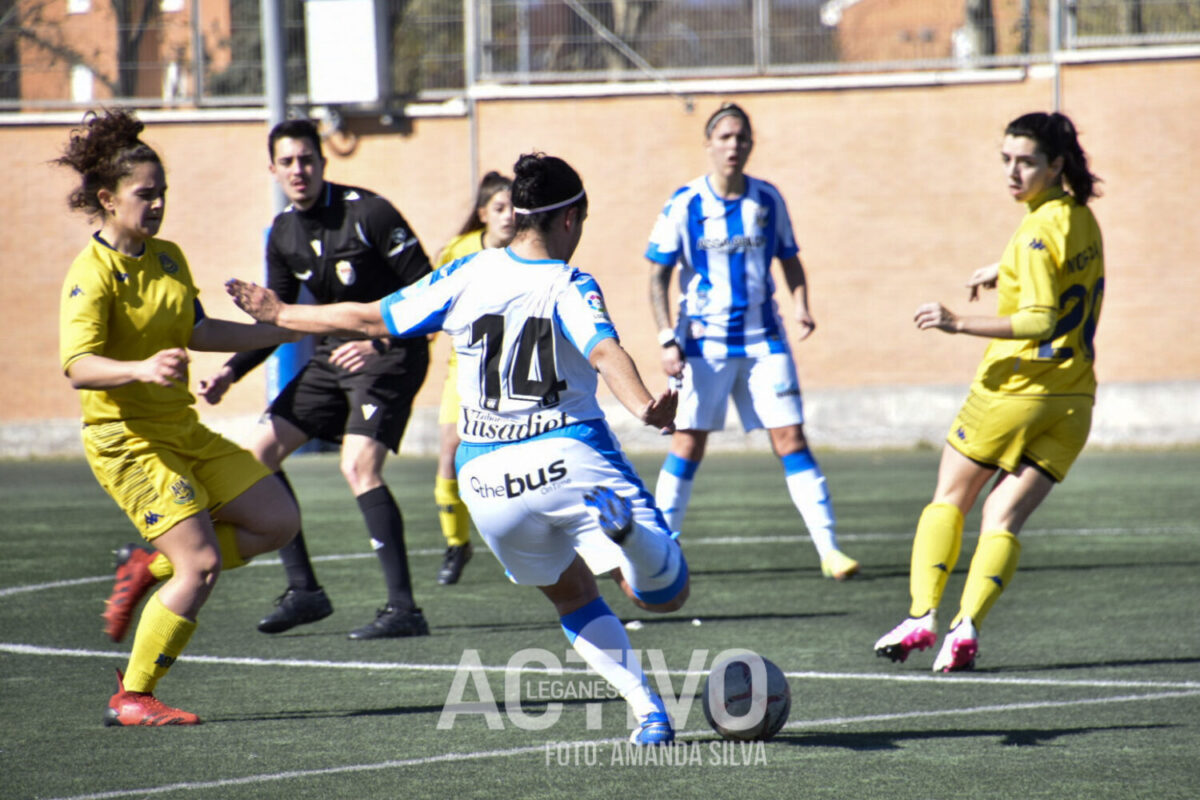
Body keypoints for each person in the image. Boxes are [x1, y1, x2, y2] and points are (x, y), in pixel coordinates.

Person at [227, 152, 691, 745]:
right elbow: (603, 351)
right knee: (665, 592)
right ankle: (630, 542)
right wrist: (646, 405)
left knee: (573, 594)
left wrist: (284, 311)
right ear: (570, 220)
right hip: (569, 457)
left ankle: (648, 712)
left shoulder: (466, 271)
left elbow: (372, 318)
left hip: (488, 478)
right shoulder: (568, 282)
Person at [55, 108, 302, 726]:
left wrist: (270, 329)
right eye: (145, 194)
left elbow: (194, 328)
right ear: (107, 199)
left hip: (182, 429)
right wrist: (138, 370)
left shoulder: (168, 258)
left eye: (162, 193)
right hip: (126, 441)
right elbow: (79, 365)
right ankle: (132, 697)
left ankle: (147, 564)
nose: (158, 204)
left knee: (277, 521)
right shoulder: (90, 276)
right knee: (202, 565)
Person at [874, 111, 1105, 672]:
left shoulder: (1030, 234)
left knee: (949, 498)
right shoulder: (1079, 218)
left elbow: (1040, 317)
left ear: (1054, 164)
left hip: (1013, 391)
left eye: (1025, 161)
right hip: (1073, 401)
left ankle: (920, 616)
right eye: (1006, 160)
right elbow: (1056, 273)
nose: (1013, 172)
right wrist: (1001, 269)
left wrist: (958, 323)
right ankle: (966, 628)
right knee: (1002, 519)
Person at [198, 119, 433, 639]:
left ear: (323, 162)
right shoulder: (283, 233)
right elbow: (276, 320)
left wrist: (379, 341)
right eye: (288, 162)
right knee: (257, 453)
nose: (298, 170)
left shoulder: (369, 212)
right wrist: (229, 372)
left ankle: (404, 610)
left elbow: (430, 291)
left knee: (357, 466)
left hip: (393, 353)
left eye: (307, 159)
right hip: (331, 356)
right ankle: (305, 590)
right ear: (274, 170)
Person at [646, 102, 859, 580]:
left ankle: (830, 551)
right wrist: (666, 339)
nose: (733, 146)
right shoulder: (684, 204)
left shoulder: (767, 200)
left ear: (750, 145)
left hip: (765, 341)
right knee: (688, 443)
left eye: (741, 137)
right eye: (724, 137)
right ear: (708, 145)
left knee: (790, 437)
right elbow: (657, 277)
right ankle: (660, 551)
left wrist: (802, 302)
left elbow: (790, 258)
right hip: (704, 346)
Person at [429, 171, 516, 584]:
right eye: (499, 208)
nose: (508, 216)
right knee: (449, 451)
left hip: (515, 376)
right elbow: (428, 298)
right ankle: (456, 544)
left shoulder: (529, 253)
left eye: (514, 207)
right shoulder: (459, 251)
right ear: (483, 214)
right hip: (463, 373)